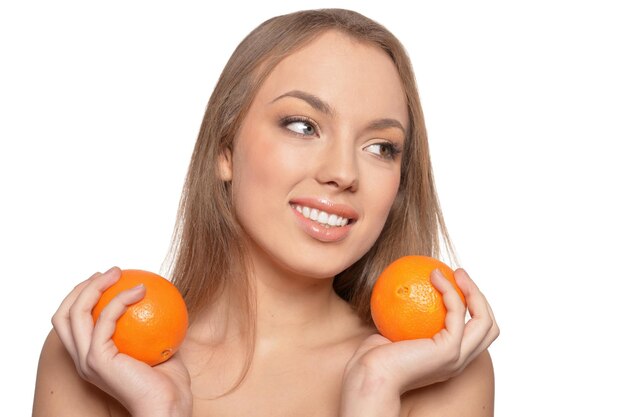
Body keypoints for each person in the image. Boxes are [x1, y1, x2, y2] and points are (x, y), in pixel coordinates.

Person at [33, 8, 499, 417]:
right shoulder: (101, 354)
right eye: (303, 125)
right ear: (225, 151)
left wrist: (374, 393)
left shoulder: (438, 367)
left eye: (381, 147)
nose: (343, 172)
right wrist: (160, 409)